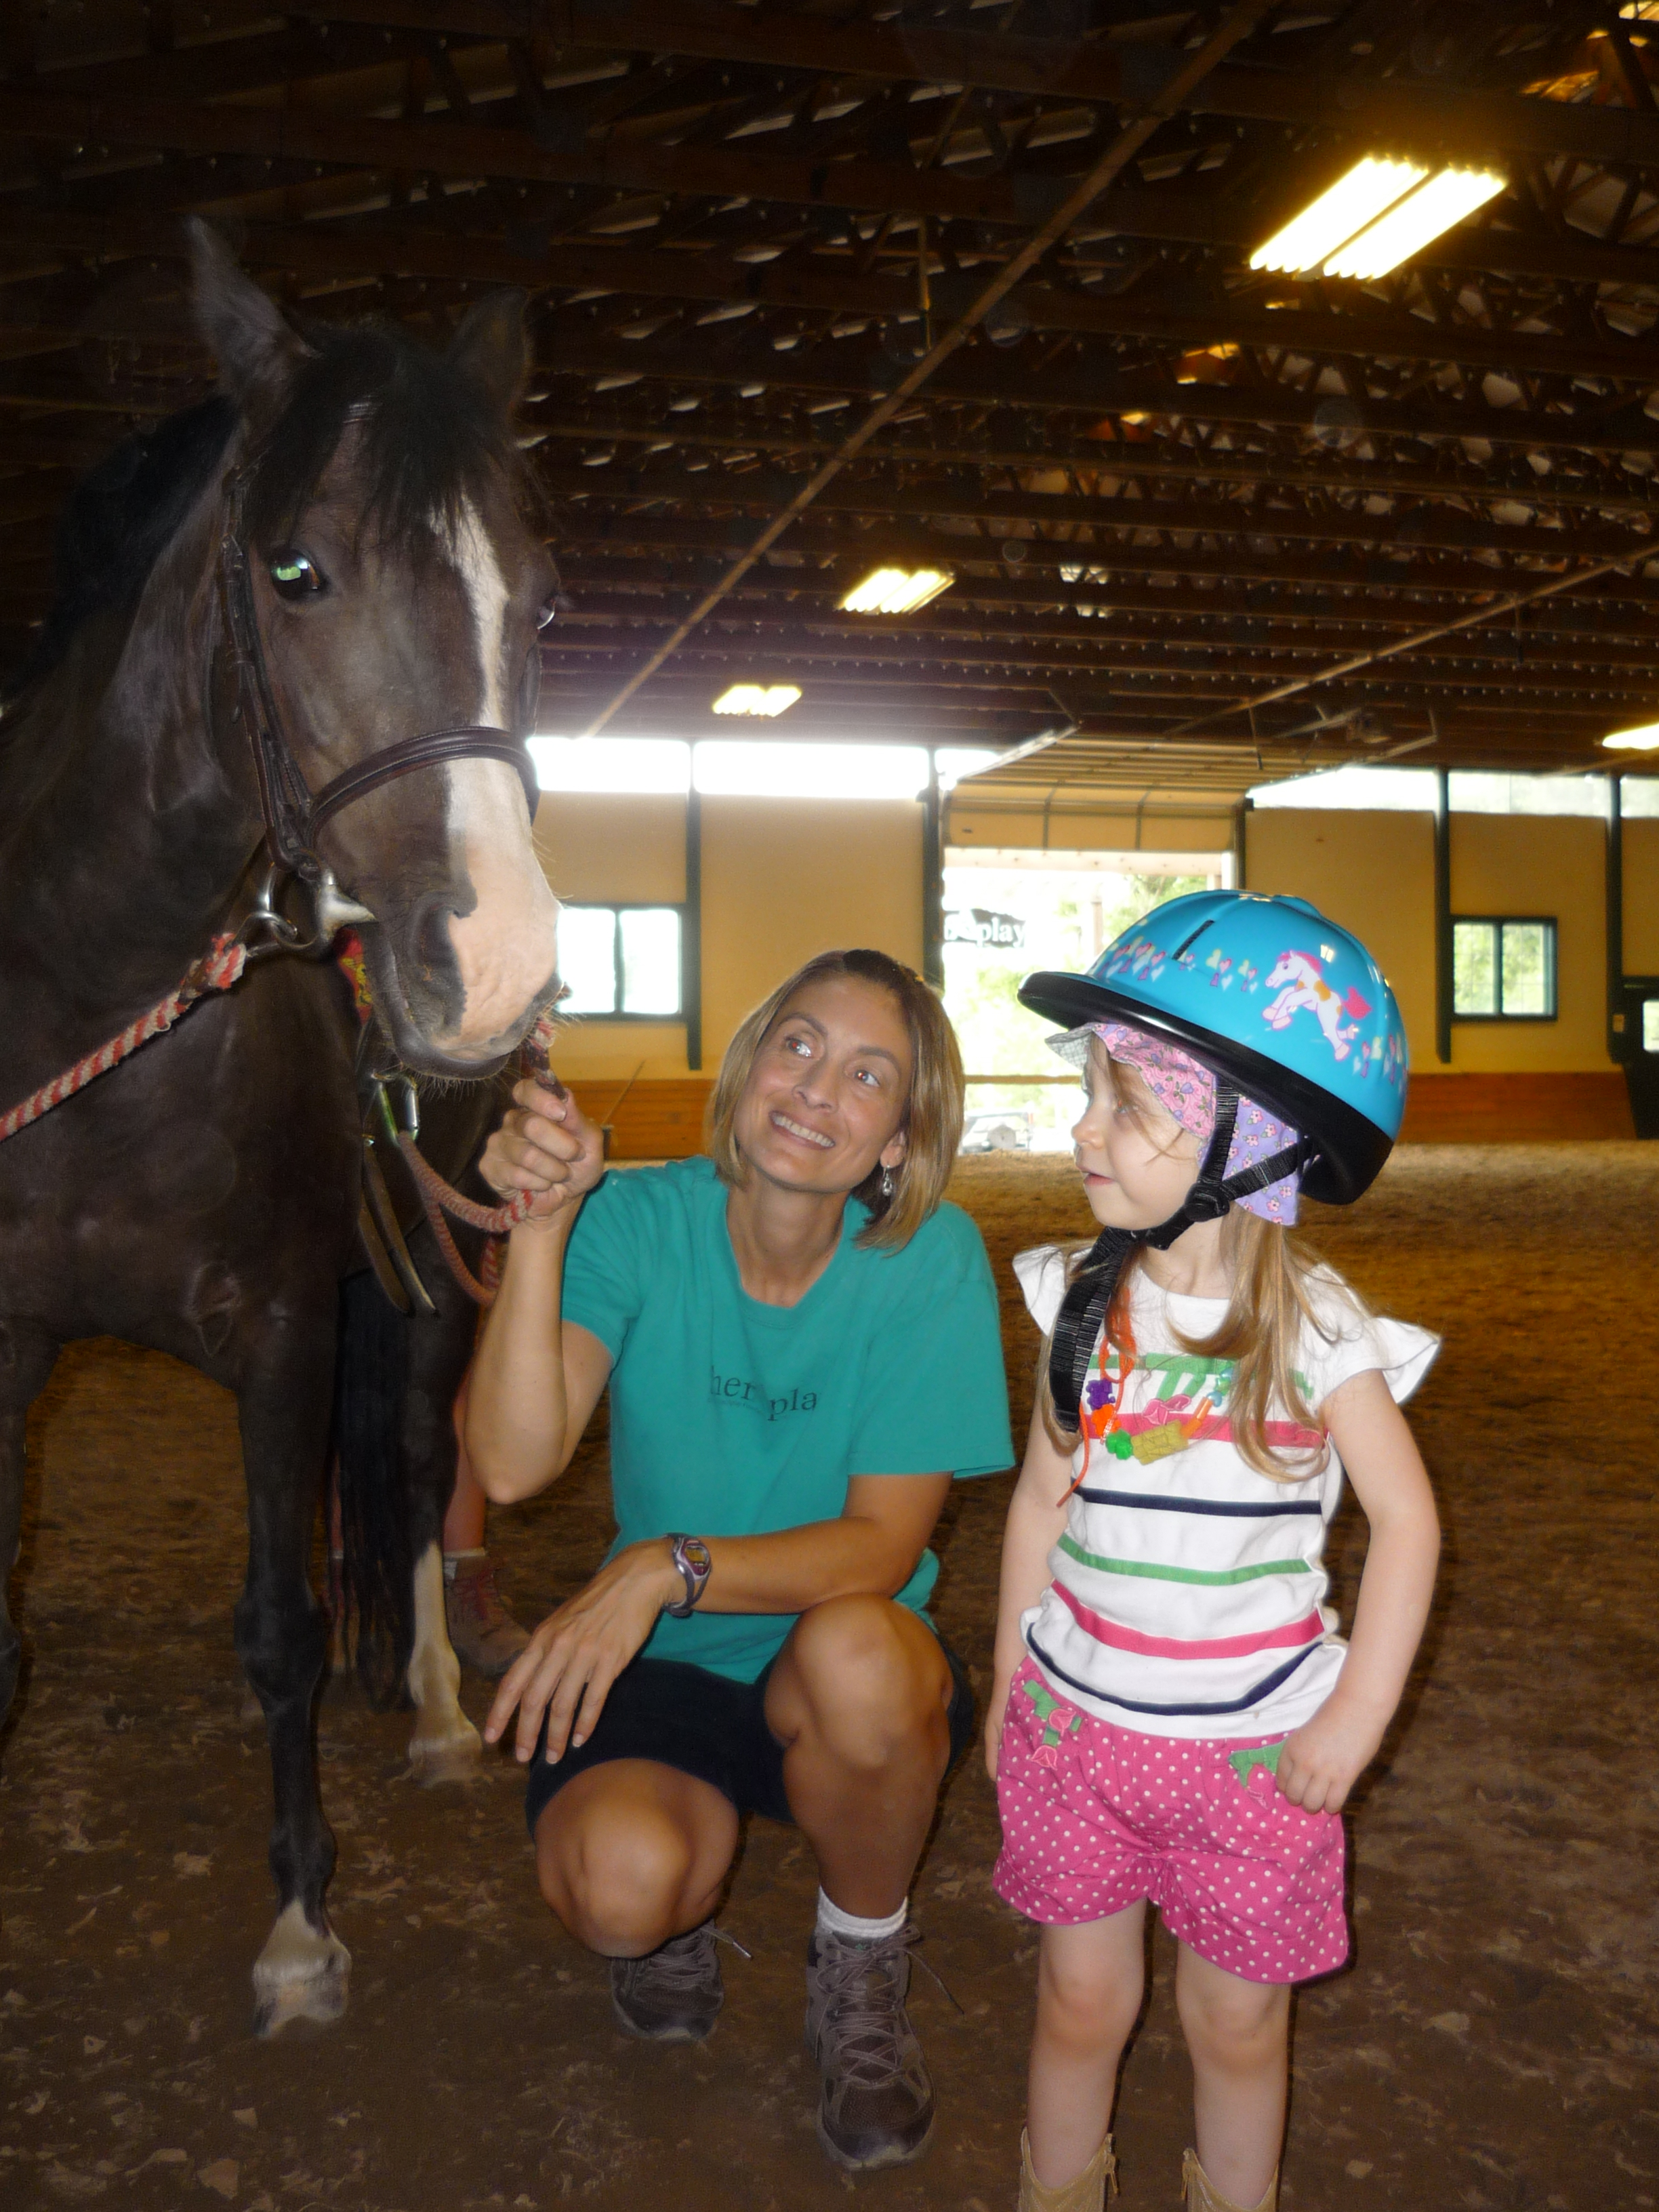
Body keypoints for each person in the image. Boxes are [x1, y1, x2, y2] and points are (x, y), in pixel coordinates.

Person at [464, 948, 1013, 2173]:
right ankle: (676, 1916)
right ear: (749, 1062)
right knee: (621, 1895)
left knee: (863, 1653)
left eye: (867, 1075)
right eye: (798, 1045)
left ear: (898, 1139)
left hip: (837, 1665)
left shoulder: (928, 1260)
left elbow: (884, 1547)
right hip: (664, 1667)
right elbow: (508, 1463)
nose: (817, 1088)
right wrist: (543, 1226)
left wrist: (666, 1566)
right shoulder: (640, 1221)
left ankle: (861, 1958)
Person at [985, 892, 1441, 2212]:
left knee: (1236, 2025)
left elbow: (1409, 1523)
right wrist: (1013, 1679)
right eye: (1090, 1094)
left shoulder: (1319, 1330)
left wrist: (1355, 1718)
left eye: (1127, 1104)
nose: (1084, 1130)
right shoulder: (1082, 1300)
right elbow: (1041, 1502)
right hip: (1080, 1736)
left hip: (1256, 1762)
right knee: (1079, 2002)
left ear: (1256, 1140)